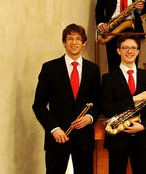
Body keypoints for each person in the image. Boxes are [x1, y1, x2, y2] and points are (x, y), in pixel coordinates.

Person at [32, 23, 101, 174]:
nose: (74, 42)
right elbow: (38, 105)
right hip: (57, 137)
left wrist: (90, 117)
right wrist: (54, 129)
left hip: (84, 139)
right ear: (64, 42)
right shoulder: (50, 68)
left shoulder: (93, 69)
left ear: (84, 43)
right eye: (70, 38)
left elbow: (98, 102)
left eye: (78, 39)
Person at [101, 34, 146, 174]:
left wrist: (143, 125)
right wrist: (134, 99)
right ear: (118, 50)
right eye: (125, 48)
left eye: (133, 48)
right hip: (118, 139)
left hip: (143, 138)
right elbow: (107, 109)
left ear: (138, 51)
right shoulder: (108, 78)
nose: (129, 51)